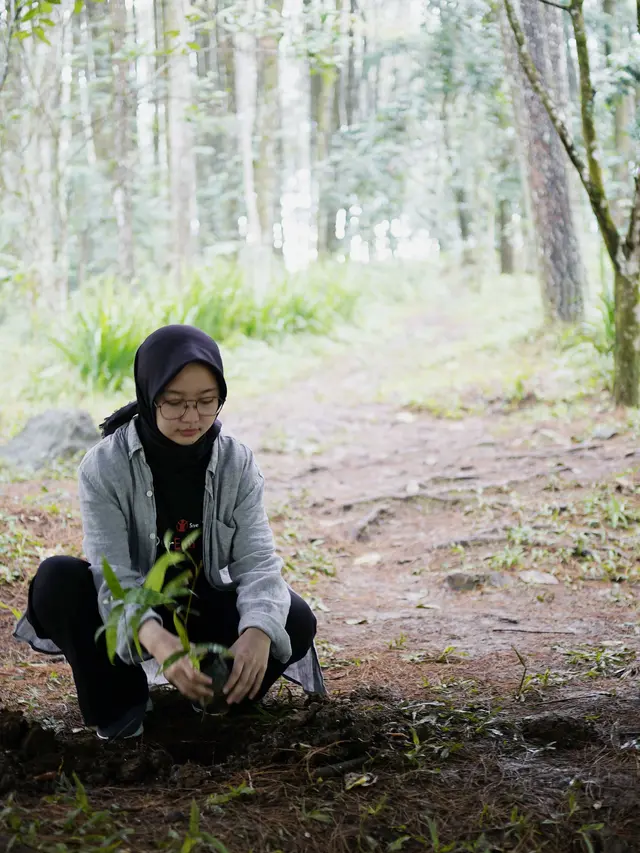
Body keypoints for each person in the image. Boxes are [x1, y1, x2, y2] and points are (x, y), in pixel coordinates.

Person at [14, 325, 324, 740]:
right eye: (175, 403)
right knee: (57, 580)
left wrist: (258, 629)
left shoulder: (235, 463)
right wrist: (155, 638)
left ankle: (214, 692)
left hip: (198, 604)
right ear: (149, 395)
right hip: (135, 608)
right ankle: (120, 704)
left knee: (293, 617)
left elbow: (258, 563)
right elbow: (113, 574)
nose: (192, 418)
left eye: (206, 401)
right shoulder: (105, 467)